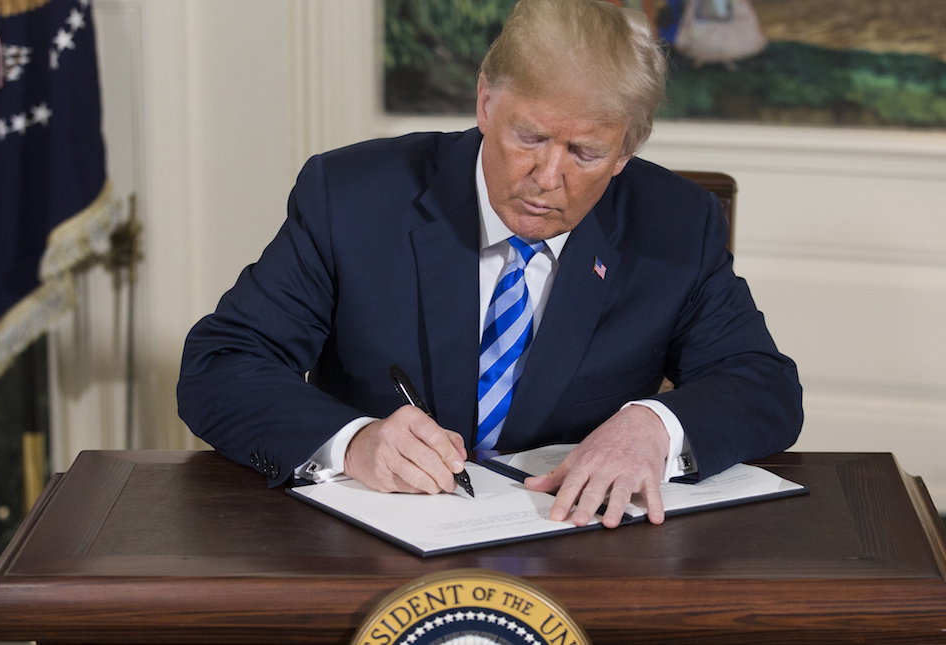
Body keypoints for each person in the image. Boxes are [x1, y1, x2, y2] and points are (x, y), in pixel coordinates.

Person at [177, 0, 801, 530]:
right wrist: (353, 443)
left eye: (585, 152)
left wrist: (655, 426)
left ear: (626, 151)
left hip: (576, 552)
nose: (547, 178)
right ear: (484, 102)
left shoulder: (675, 224)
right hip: (373, 547)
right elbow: (221, 366)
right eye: (528, 138)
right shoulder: (353, 197)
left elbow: (764, 385)